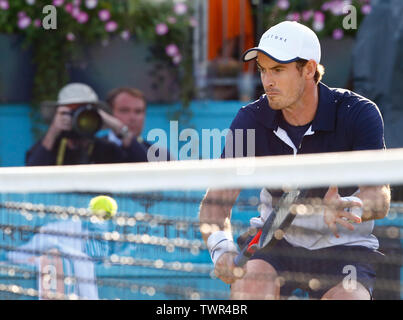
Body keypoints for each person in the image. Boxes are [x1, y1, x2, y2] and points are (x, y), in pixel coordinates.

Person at [199, 21, 391, 300]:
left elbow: (379, 196)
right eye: (263, 70)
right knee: (249, 289)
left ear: (309, 69)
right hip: (276, 243)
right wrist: (222, 249)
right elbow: (217, 201)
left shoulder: (359, 113)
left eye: (278, 70)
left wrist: (353, 207)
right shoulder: (249, 120)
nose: (267, 81)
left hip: (346, 247)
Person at [25, 83, 148, 166]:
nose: (78, 118)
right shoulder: (49, 147)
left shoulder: (106, 149)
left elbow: (144, 167)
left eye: (84, 113)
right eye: (71, 112)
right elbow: (30, 175)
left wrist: (119, 128)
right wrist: (53, 132)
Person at [105, 87, 172, 161]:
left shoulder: (160, 156)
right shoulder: (94, 149)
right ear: (109, 114)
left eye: (138, 111)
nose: (132, 118)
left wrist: (127, 136)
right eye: (124, 110)